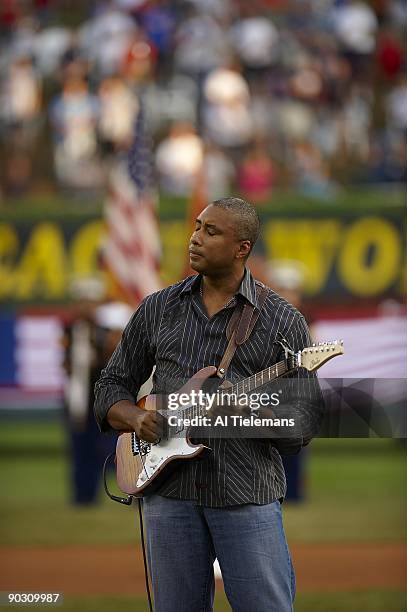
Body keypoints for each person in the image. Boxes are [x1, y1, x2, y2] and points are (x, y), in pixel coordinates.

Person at [94, 197, 322, 611]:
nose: (195, 237)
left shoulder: (284, 320)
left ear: (242, 248)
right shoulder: (157, 308)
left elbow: (302, 423)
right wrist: (137, 417)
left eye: (211, 231)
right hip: (168, 498)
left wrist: (251, 415)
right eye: (197, 226)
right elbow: (110, 387)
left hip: (246, 496)